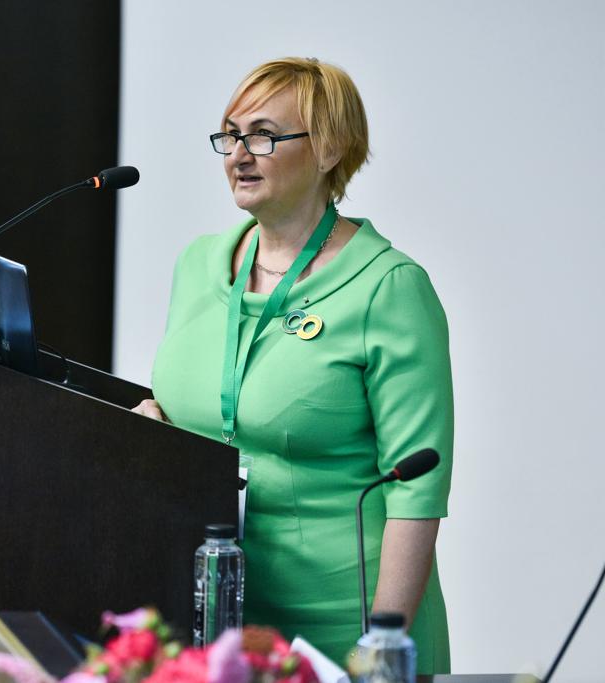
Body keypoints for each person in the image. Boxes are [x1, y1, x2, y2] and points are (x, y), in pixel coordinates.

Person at [133, 57, 452, 673]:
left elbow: (417, 492)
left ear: (329, 149)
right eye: (230, 135)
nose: (238, 155)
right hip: (211, 618)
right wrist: (152, 432)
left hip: (342, 631)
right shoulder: (198, 264)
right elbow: (196, 407)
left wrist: (379, 653)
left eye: (263, 136)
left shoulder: (388, 288)